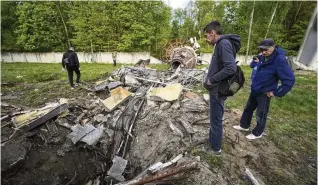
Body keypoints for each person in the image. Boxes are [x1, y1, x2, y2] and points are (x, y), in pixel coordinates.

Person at [233, 39, 295, 140]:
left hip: (265, 92)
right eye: (261, 49)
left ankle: (258, 133)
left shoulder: (279, 60)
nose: (263, 52)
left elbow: (289, 79)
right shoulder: (262, 56)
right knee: (248, 109)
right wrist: (255, 59)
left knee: (261, 114)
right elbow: (253, 65)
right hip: (255, 89)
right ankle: (244, 125)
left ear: (273, 47)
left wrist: (277, 92)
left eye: (266, 50)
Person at [202, 21, 240, 155]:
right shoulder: (221, 44)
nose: (207, 39)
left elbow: (231, 68)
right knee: (214, 118)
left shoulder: (223, 44)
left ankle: (215, 148)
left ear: (212, 33)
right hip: (217, 89)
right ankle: (212, 141)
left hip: (217, 90)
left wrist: (212, 79)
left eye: (207, 36)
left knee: (216, 120)